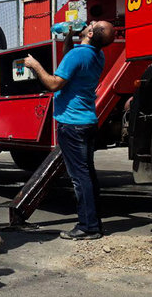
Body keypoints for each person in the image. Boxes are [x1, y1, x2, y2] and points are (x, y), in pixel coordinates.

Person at [24, 21, 115, 240]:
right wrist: (68, 36)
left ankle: (87, 227)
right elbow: (69, 57)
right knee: (88, 174)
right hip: (88, 122)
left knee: (79, 177)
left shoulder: (79, 56)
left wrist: (35, 65)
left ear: (90, 32)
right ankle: (93, 223)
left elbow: (54, 84)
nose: (88, 22)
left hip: (72, 125)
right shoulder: (95, 55)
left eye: (91, 24)